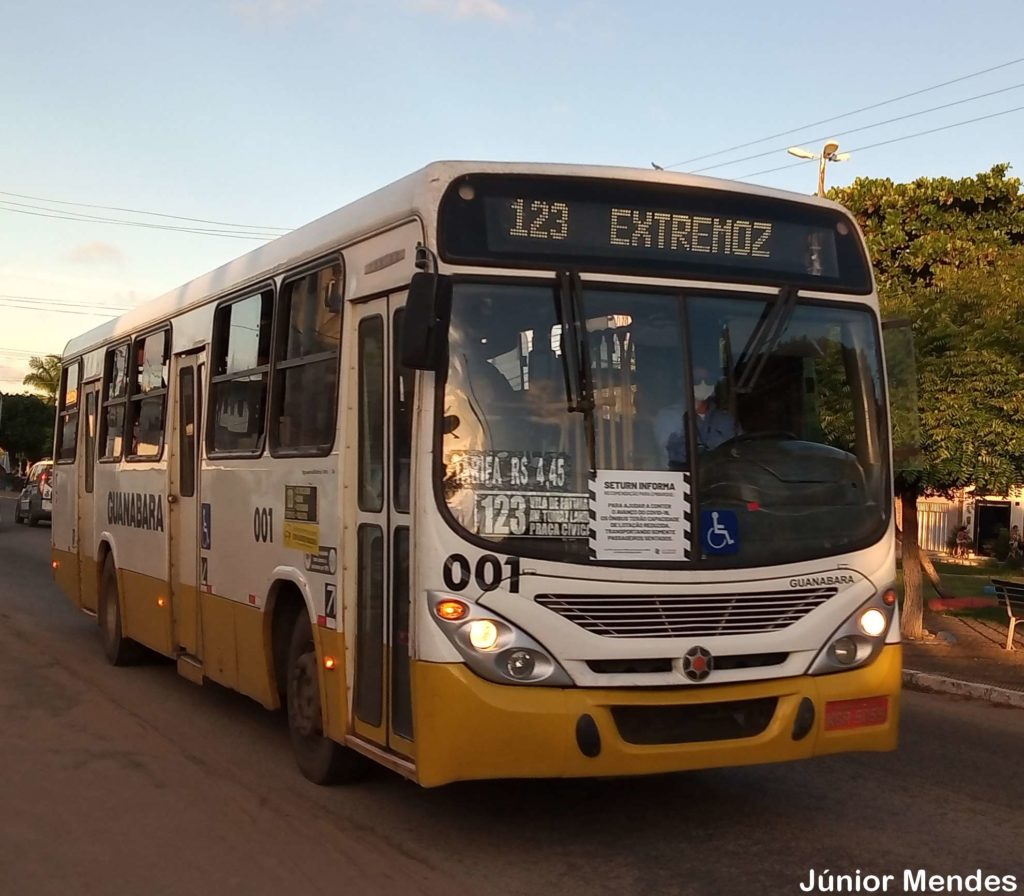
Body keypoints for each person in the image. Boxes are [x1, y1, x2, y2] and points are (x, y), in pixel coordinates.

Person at [654, 379, 741, 469]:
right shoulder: (668, 416)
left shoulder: (726, 419)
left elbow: (739, 452)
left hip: (722, 479)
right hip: (678, 478)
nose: (703, 385)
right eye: (697, 381)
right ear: (685, 385)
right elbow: (671, 455)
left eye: (708, 381)